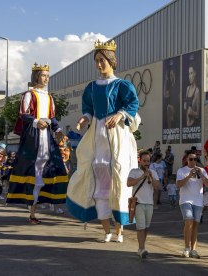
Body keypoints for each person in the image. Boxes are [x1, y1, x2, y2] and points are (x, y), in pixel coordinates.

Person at [67, 40, 140, 242]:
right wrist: (85, 118)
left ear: (111, 61)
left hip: (116, 136)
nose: (99, 65)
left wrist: (119, 115)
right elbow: (88, 108)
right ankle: (107, 231)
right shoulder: (91, 87)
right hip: (97, 136)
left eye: (102, 60)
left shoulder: (122, 85)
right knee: (97, 176)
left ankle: (119, 231)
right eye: (97, 61)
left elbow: (133, 103)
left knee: (118, 175)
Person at [7, 62, 68, 224]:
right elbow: (23, 115)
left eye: (48, 76)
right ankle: (32, 210)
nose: (46, 79)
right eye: (43, 75)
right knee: (32, 169)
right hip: (33, 135)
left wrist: (58, 130)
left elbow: (52, 117)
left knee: (51, 167)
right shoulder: (29, 95)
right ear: (36, 77)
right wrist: (35, 122)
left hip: (46, 135)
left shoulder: (49, 97)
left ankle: (43, 203)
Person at [176, 150, 208, 259]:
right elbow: (178, 185)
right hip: (186, 200)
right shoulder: (182, 171)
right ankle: (186, 248)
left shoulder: (202, 170)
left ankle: (193, 249)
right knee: (189, 223)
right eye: (191, 159)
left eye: (195, 159)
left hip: (198, 201)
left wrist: (201, 175)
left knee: (195, 225)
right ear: (187, 159)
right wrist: (189, 175)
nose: (193, 161)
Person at [127, 151, 160, 258]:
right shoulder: (134, 171)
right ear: (140, 161)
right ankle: (142, 249)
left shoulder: (153, 172)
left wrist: (152, 177)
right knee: (140, 227)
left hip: (149, 204)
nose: (146, 163)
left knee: (146, 227)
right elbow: (128, 183)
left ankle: (141, 247)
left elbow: (158, 187)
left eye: (148, 161)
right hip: (139, 203)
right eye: (144, 161)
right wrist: (142, 177)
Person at [184, 63, 201, 127]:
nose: (190, 76)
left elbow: (197, 114)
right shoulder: (187, 89)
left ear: (194, 73)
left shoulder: (197, 91)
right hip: (186, 126)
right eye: (189, 74)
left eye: (191, 73)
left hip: (193, 124)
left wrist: (192, 112)